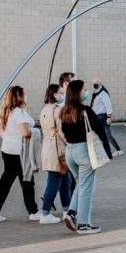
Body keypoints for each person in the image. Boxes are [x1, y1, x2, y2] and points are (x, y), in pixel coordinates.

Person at [59, 79, 111, 234]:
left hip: (70, 151)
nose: (86, 92)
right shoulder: (85, 111)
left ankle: (71, 212)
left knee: (81, 183)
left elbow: (64, 133)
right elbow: (100, 129)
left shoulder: (64, 112)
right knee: (86, 188)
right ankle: (83, 224)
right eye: (84, 90)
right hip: (84, 151)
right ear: (77, 93)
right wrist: (107, 151)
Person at [0, 86, 40, 222]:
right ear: (19, 97)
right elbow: (25, 132)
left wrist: (8, 139)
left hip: (7, 150)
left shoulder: (5, 111)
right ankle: (33, 211)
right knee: (27, 181)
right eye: (24, 94)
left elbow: (0, 131)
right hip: (19, 152)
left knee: (6, 181)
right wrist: (35, 132)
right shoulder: (18, 112)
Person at [37, 83, 71, 224]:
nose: (62, 95)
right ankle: (45, 212)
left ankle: (67, 210)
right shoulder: (57, 110)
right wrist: (70, 142)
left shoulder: (44, 109)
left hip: (48, 147)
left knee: (65, 180)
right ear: (54, 94)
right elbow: (62, 131)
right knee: (54, 180)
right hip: (57, 149)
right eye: (60, 93)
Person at [89, 78, 123, 156]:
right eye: (93, 83)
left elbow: (108, 104)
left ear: (100, 83)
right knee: (107, 134)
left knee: (99, 133)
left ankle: (108, 151)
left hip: (102, 116)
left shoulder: (103, 92)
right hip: (98, 116)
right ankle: (115, 150)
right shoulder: (96, 92)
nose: (94, 84)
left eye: (96, 83)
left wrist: (109, 117)